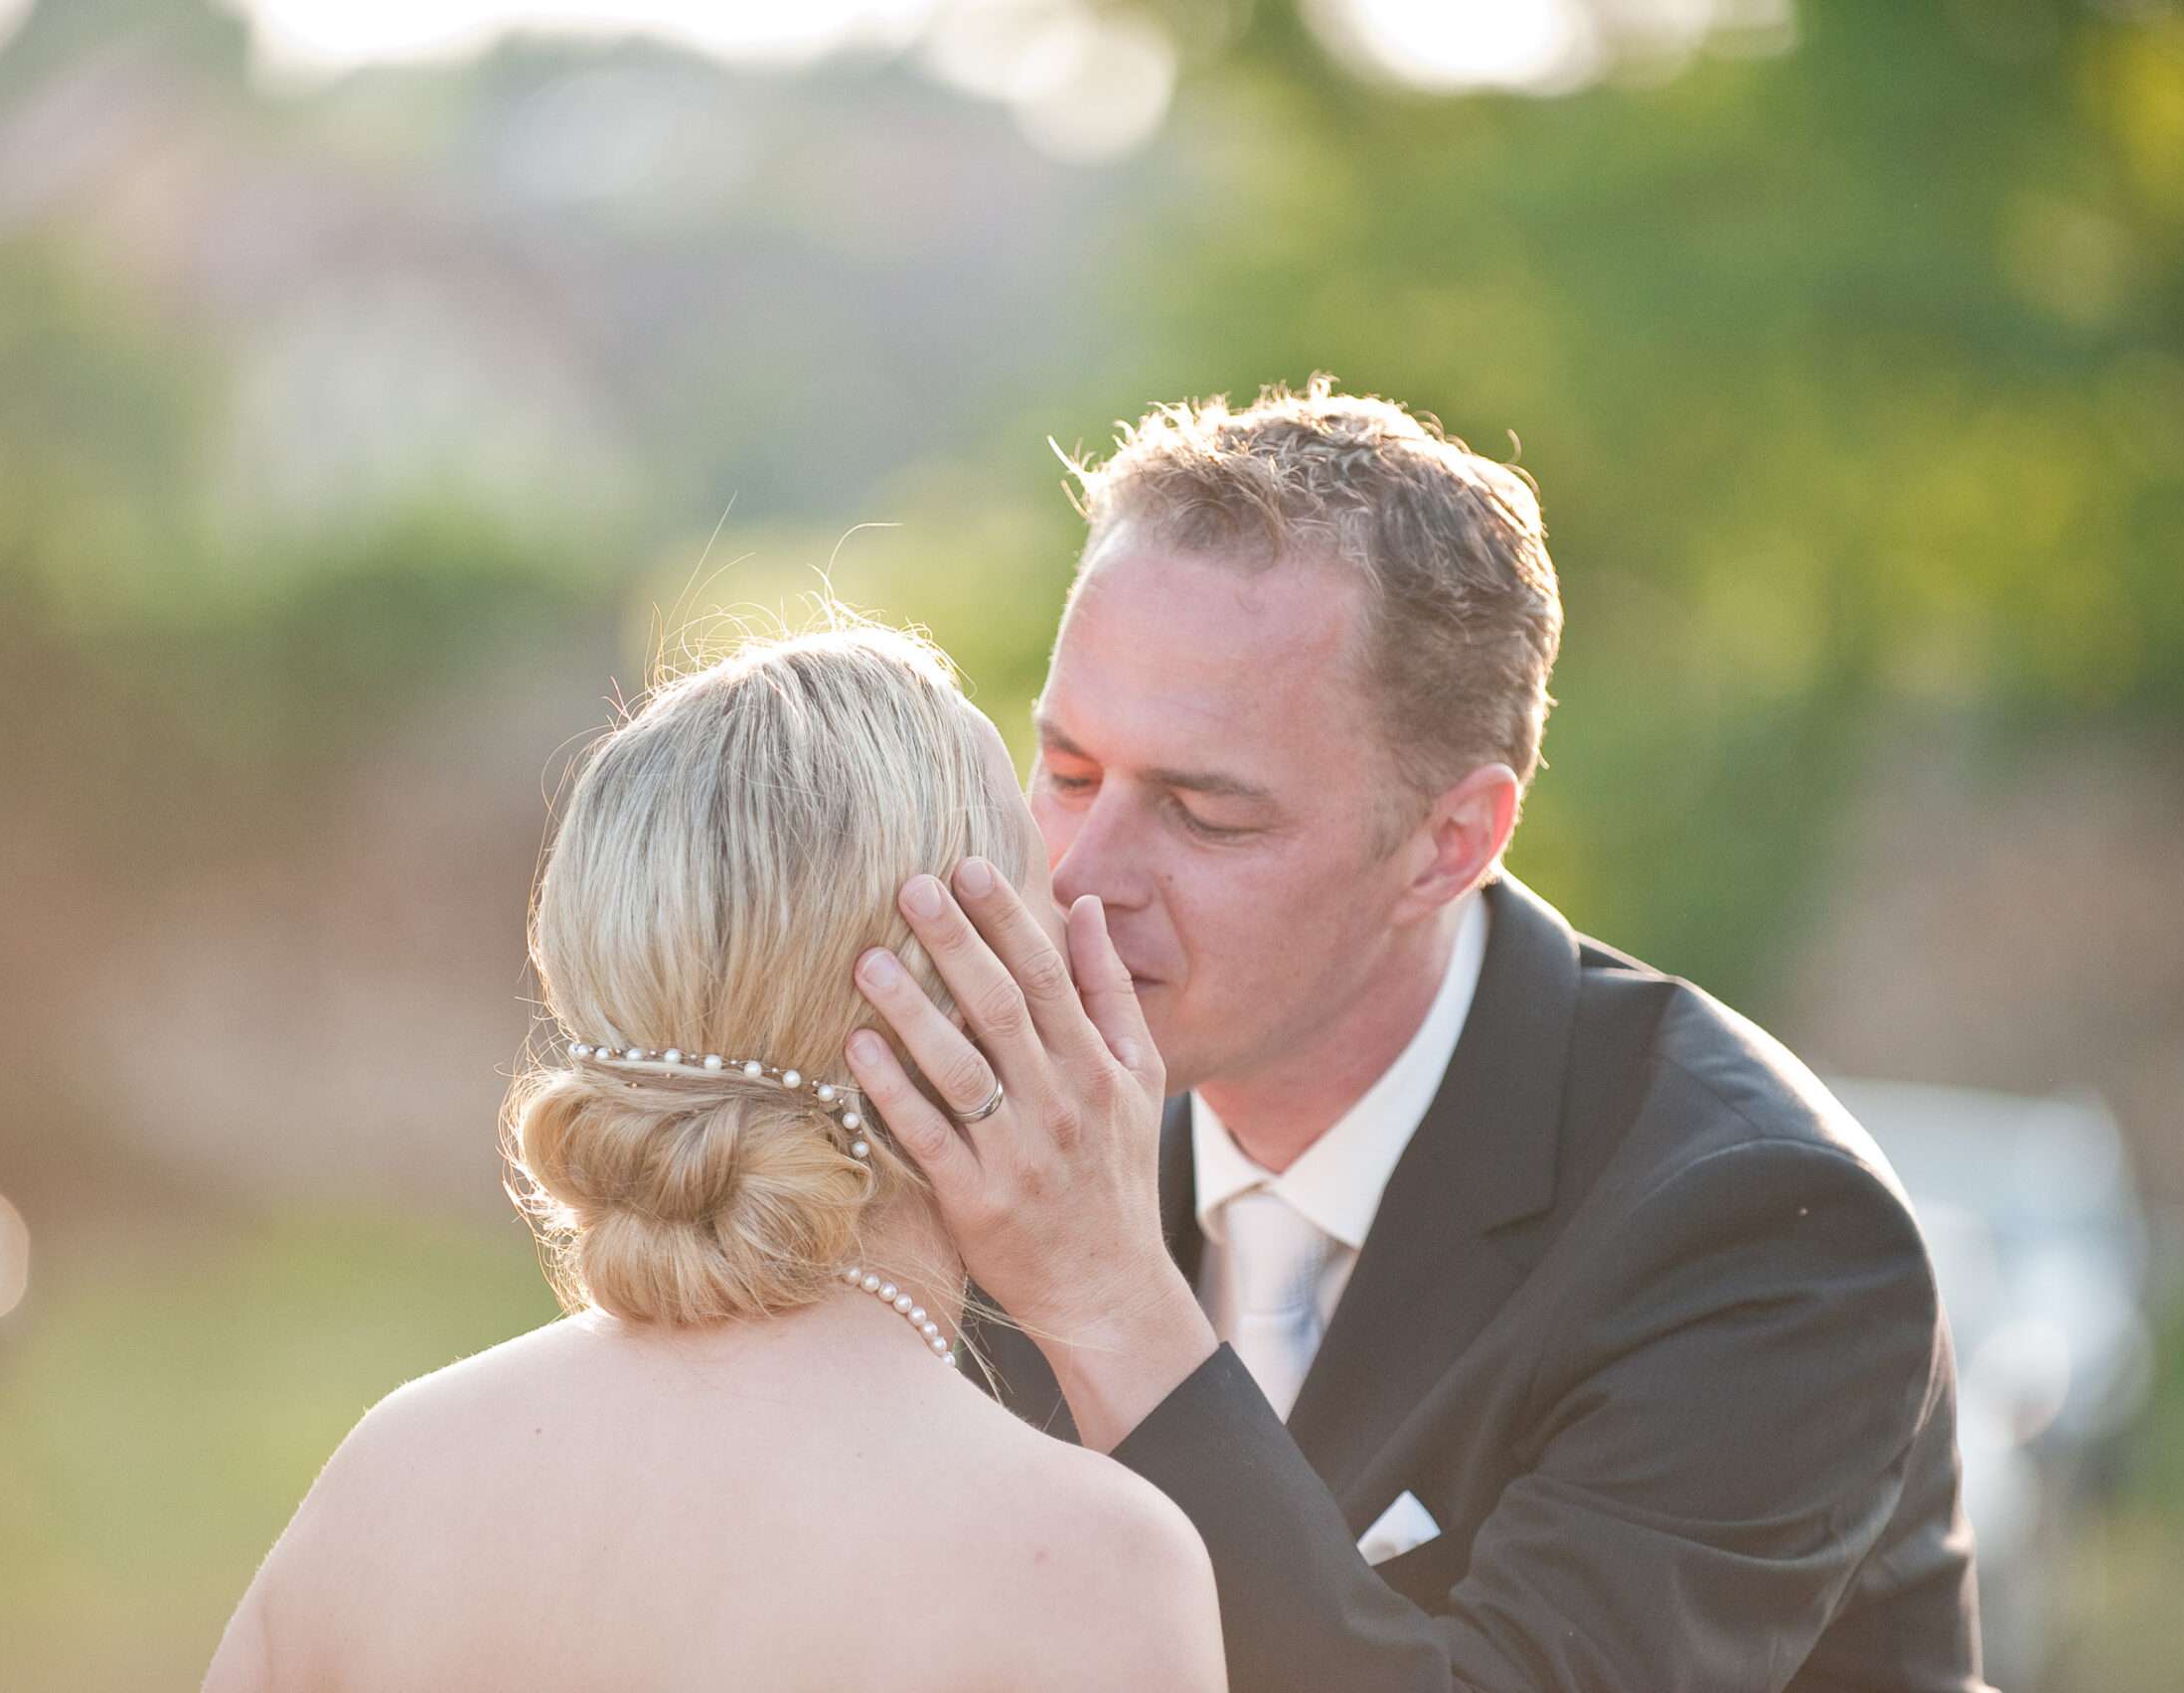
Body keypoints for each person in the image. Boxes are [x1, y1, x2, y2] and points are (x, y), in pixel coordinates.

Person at [843, 381, 1989, 1691]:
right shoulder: (994, 1123)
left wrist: (1108, 1300)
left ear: (1449, 842)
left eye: (1206, 815)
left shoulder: (1765, 1238)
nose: (1080, 877)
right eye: (1067, 772)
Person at [201, 625, 1225, 1693]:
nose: (1079, 908)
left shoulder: (390, 1477)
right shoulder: (1086, 1566)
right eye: (1037, 877)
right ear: (970, 997)